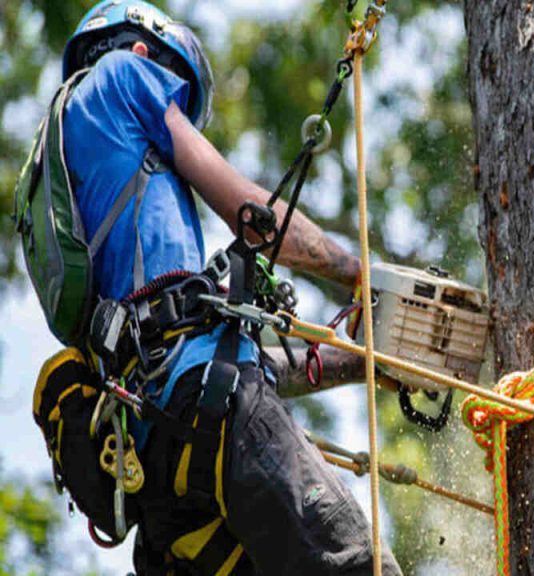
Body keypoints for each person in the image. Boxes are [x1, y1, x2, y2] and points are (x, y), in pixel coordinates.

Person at [47, 1, 402, 574]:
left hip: (161, 473)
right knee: (357, 566)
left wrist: (361, 361)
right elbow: (253, 216)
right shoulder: (123, 74)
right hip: (209, 410)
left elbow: (201, 357)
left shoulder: (66, 186)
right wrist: (357, 270)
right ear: (144, 53)